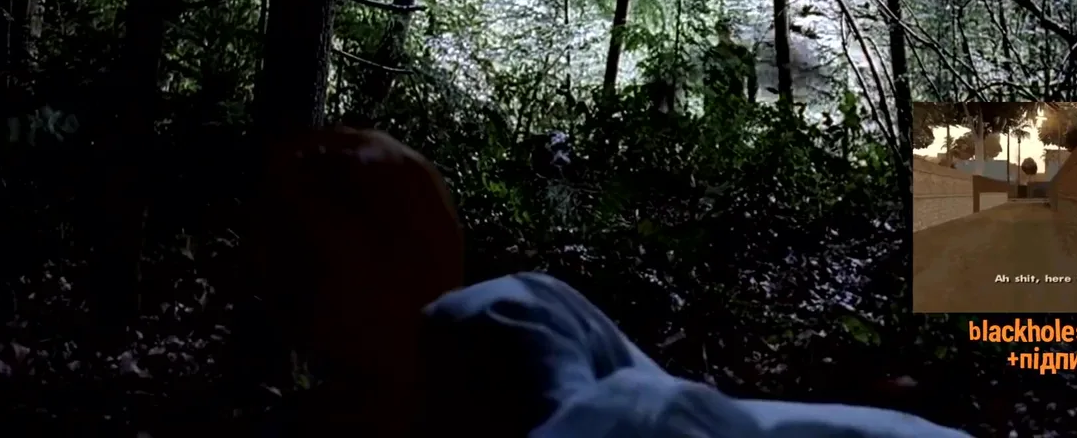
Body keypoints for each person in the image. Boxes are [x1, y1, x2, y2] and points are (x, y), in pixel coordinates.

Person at [257, 127, 970, 437]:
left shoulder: (488, 312)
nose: (285, 294)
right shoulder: (387, 394)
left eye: (303, 262)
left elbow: (614, 423)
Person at [703, 19, 758, 115]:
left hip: (736, 100)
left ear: (731, 32)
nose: (724, 34)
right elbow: (707, 80)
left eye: (726, 31)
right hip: (717, 102)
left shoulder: (741, 53)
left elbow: (752, 78)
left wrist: (751, 102)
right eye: (721, 31)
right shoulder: (712, 54)